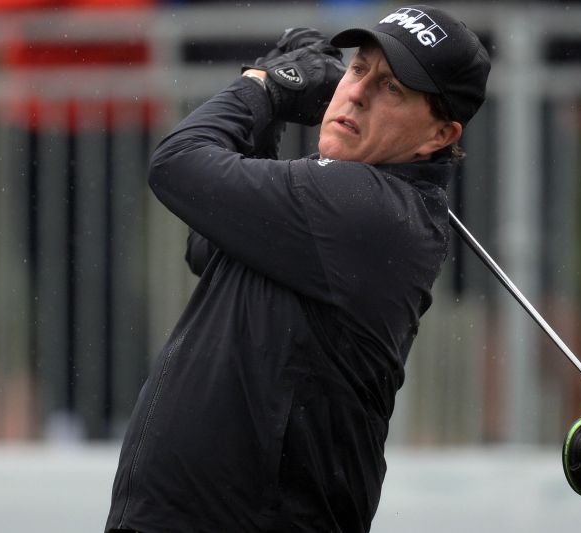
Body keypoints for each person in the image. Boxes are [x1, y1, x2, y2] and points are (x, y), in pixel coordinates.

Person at [106, 4, 490, 532]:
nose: (355, 92)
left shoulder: (369, 206)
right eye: (358, 69)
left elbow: (178, 163)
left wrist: (266, 87)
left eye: (392, 89)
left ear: (439, 136)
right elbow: (208, 246)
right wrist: (269, 113)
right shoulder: (343, 194)